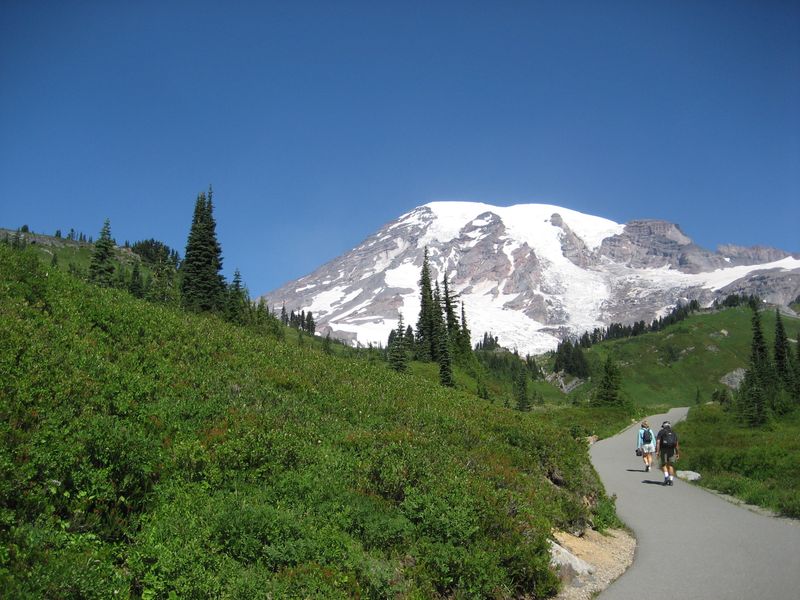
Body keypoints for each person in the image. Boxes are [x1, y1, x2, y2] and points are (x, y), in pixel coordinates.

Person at [655, 420, 680, 486]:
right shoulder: (673, 432)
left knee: (663, 464)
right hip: (672, 450)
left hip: (663, 450)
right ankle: (671, 480)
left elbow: (658, 442)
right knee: (671, 465)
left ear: (663, 426)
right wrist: (677, 453)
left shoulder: (661, 432)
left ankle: (666, 477)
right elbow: (676, 444)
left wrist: (657, 451)